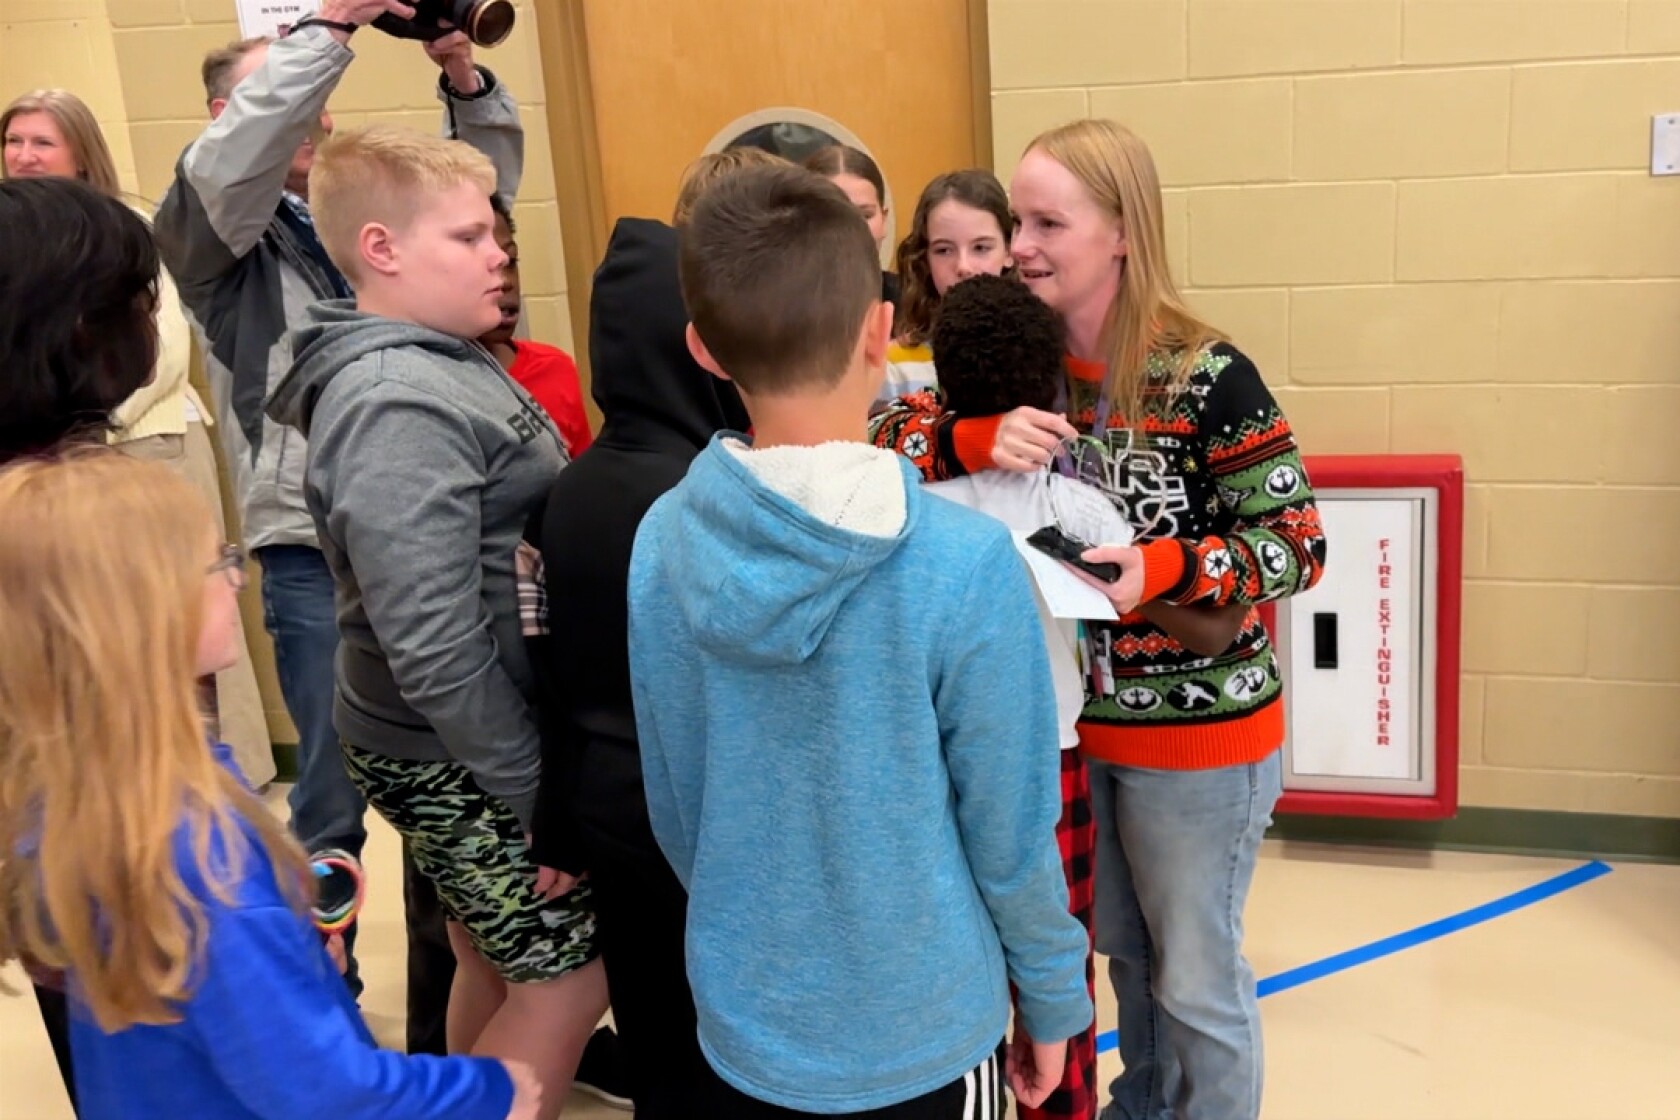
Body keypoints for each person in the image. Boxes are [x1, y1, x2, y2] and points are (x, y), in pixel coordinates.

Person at [872, 119, 1327, 1120]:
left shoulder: (1206, 376)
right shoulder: (1026, 370)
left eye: (1048, 223)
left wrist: (1164, 564)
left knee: (1196, 980)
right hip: (1085, 733)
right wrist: (970, 436)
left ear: (1121, 234)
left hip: (1202, 735)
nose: (1020, 246)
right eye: (1017, 222)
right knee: (1127, 959)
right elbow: (884, 436)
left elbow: (1296, 542)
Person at [628, 163, 1092, 1118]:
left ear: (703, 348)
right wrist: (1052, 994)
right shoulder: (965, 563)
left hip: (747, 1013)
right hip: (926, 1025)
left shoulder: (663, 540)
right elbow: (1011, 833)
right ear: (882, 332)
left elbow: (679, 801)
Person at [153, 0, 524, 1024]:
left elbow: (478, 209)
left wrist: (462, 77)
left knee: (454, 788)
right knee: (329, 798)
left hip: (434, 525)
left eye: (316, 98)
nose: (310, 114)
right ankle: (325, 1012)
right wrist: (331, 26)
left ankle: (470, 1012)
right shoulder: (218, 243)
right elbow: (225, 173)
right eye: (281, 96)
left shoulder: (346, 222)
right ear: (230, 118)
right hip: (312, 551)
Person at [0, 452, 542, 1120]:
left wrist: (285, 951)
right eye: (215, 562)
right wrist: (491, 1090)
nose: (238, 579)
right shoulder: (204, 856)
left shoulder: (79, 801)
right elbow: (329, 1092)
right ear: (141, 614)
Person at [265, 124, 603, 1119]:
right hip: (456, 748)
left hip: (451, 741)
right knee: (567, 979)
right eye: (468, 237)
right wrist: (537, 792)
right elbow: (433, 644)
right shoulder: (393, 401)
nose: (498, 253)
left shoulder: (439, 359)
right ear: (382, 249)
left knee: (489, 958)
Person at [525, 150, 758, 1119]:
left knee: (651, 1017)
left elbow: (544, 663)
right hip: (696, 804)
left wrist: (557, 817)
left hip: (601, 800)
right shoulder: (703, 495)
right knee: (722, 1038)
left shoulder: (567, 490)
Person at [2, 87, 274, 790]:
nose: (23, 155)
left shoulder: (124, 234)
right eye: (14, 141)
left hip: (146, 446)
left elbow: (162, 354)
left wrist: (92, 433)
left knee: (178, 635)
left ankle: (229, 773)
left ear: (81, 152)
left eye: (42, 141)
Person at [0, 176, 165, 1114]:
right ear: (68, 328)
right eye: (133, 303)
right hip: (98, 882)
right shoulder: (47, 519)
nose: (150, 321)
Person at [882, 169, 1013, 402]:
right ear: (925, 258)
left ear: (1009, 251)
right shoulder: (892, 368)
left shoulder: (1043, 357)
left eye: (981, 248)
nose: (963, 267)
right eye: (944, 250)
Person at [481, 193, 592, 457]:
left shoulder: (556, 368)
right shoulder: (430, 387)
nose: (506, 282)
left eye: (510, 262)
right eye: (487, 267)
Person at [804, 143, 898, 307]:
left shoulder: (913, 304)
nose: (854, 229)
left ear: (884, 219)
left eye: (865, 215)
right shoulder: (780, 305)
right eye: (834, 215)